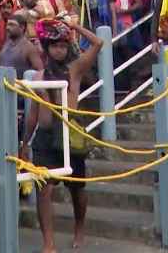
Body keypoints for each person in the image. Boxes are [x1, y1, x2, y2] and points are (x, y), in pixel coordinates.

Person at [20, 18, 103, 253]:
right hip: (45, 138)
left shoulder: (74, 69)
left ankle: (79, 226)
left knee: (77, 190)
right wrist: (25, 142)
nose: (59, 49)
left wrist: (74, 28)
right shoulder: (37, 77)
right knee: (44, 190)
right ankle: (49, 243)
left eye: (63, 45)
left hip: (70, 134)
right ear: (46, 48)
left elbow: (98, 44)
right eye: (54, 45)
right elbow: (33, 113)